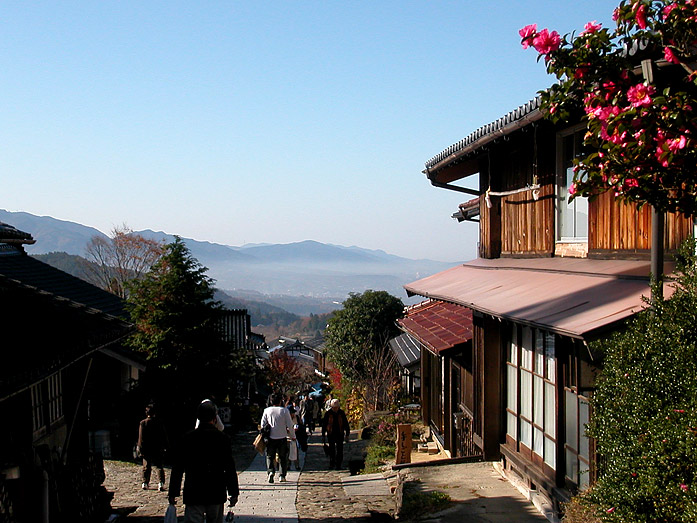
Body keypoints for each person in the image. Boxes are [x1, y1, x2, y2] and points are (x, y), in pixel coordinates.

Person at [168, 400, 239, 523]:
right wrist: (233, 491)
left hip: (194, 491)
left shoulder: (187, 438)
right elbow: (229, 467)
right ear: (215, 418)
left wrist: (173, 491)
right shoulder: (223, 439)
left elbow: (178, 467)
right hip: (216, 490)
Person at [260, 392, 295, 483]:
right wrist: (292, 435)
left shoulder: (267, 410)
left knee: (270, 456)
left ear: (271, 401)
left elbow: (262, 424)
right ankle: (282, 475)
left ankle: (271, 472)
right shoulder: (284, 410)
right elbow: (290, 425)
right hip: (282, 437)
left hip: (270, 437)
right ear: (280, 401)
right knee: (282, 457)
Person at [137, 403, 168, 491]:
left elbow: (141, 437)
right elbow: (164, 435)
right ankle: (161, 483)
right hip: (157, 447)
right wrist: (166, 446)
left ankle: (145, 482)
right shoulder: (159, 422)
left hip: (147, 448)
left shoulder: (143, 423)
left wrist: (140, 447)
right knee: (159, 466)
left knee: (146, 466)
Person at [321, 398, 350, 470]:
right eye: (334, 407)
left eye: (336, 407)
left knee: (340, 450)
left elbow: (345, 423)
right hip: (331, 434)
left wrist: (347, 434)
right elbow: (324, 425)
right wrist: (323, 435)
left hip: (339, 433)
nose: (335, 409)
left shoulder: (341, 413)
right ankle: (332, 463)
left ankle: (338, 464)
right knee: (332, 449)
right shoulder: (328, 414)